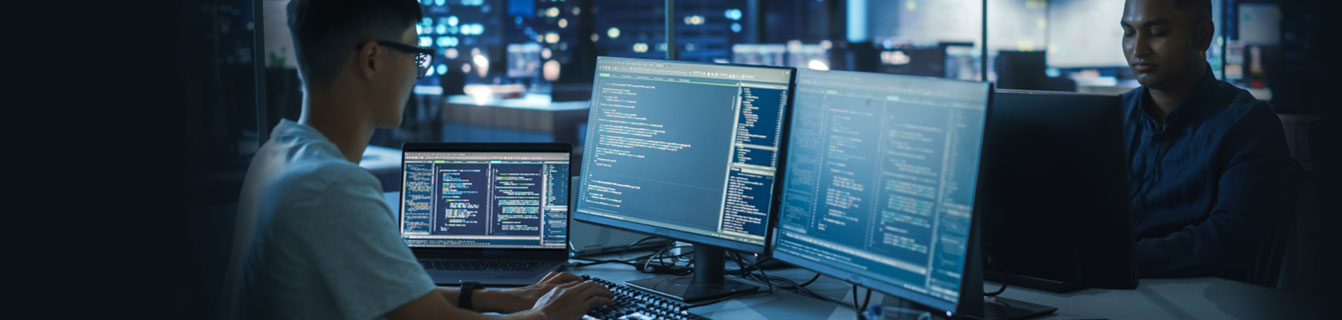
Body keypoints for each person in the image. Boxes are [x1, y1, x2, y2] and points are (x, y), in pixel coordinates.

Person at [233, 0, 613, 319]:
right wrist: (545, 315)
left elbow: (402, 300)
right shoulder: (331, 186)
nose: (417, 74)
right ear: (372, 59)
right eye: (416, 55)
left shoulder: (277, 155)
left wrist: (499, 297)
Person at [1119, 0, 1290, 279]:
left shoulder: (1246, 123)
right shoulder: (1114, 118)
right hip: (1105, 288)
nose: (1138, 50)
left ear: (1202, 35)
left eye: (1157, 32)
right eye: (1129, 32)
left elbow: (1231, 238)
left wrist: (1120, 259)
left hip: (1200, 298)